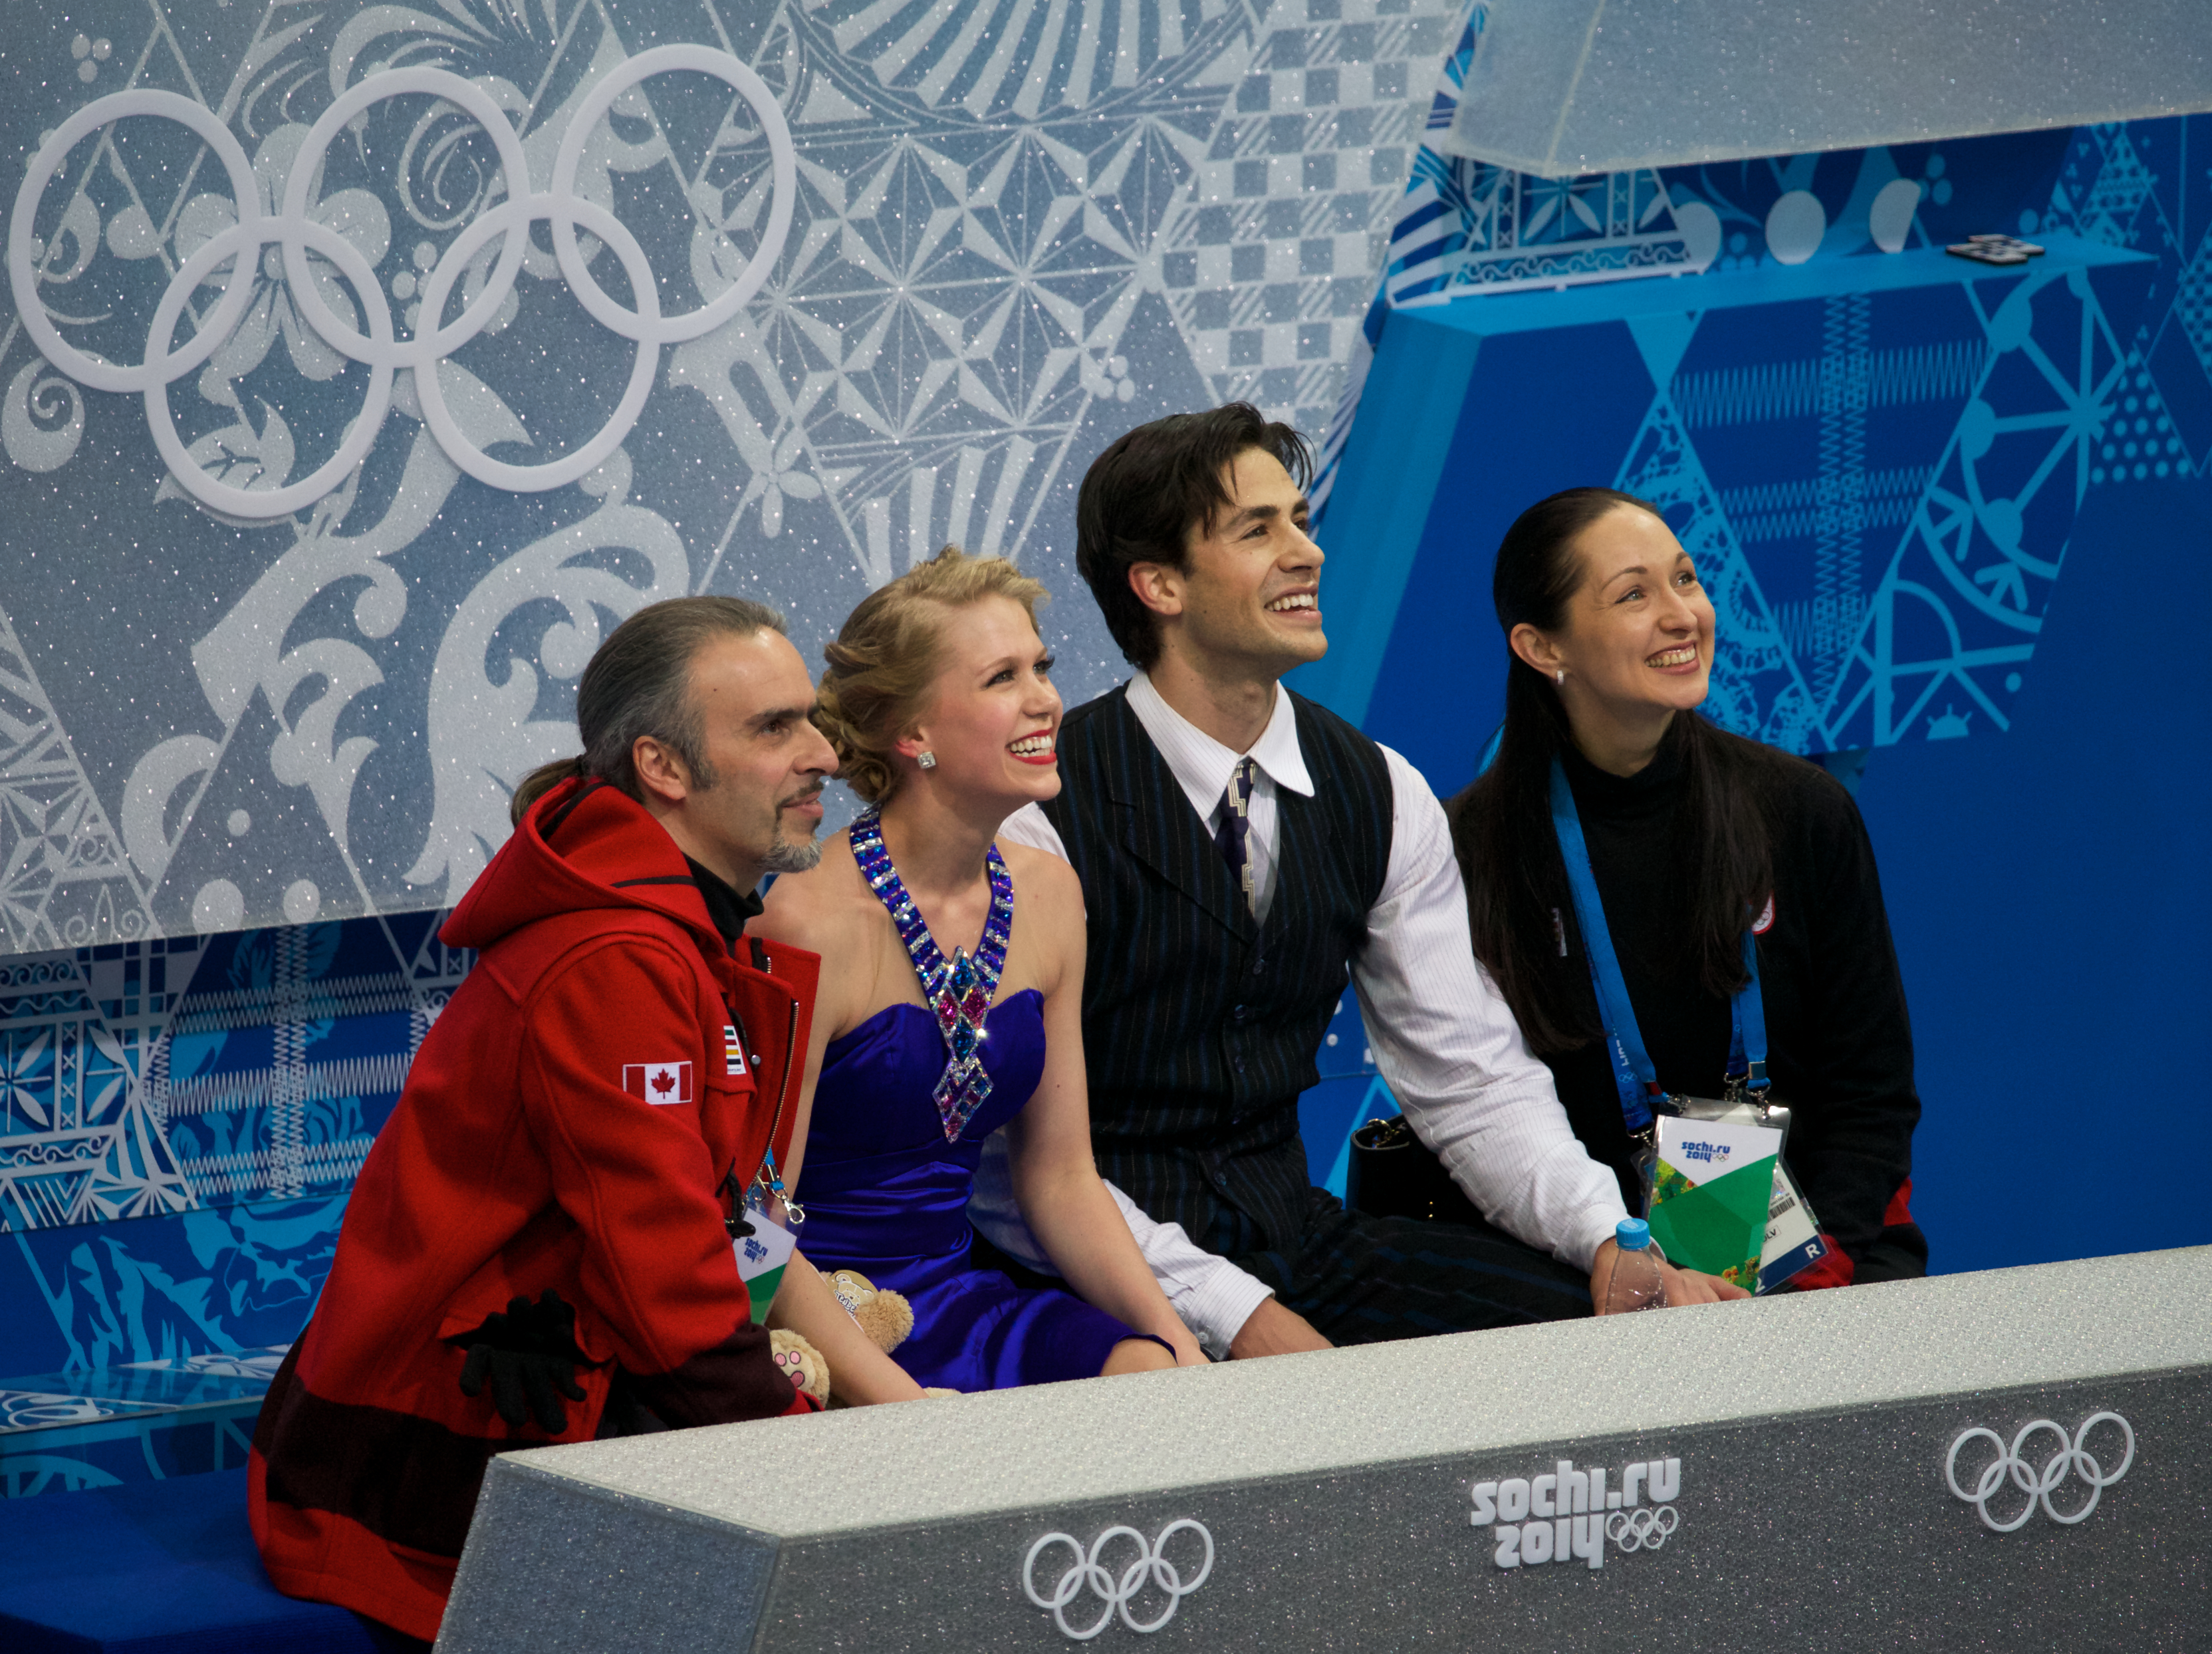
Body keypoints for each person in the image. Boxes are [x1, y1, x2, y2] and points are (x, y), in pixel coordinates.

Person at [980, 404, 1744, 1361]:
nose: (1306, 552)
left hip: (1295, 1239)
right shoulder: (1035, 812)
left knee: (1608, 1344)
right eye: (1257, 530)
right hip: (1087, 1268)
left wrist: (1605, 1236)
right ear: (1158, 584)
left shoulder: (1378, 789)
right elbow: (1007, 1170)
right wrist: (1237, 1313)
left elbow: (1468, 1080)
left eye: (1300, 520)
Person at [248, 597, 833, 1645]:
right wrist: (800, 1448)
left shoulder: (689, 930)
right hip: (436, 1453)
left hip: (577, 1392)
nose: (823, 753)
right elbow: (659, 1268)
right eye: (773, 727)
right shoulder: (615, 959)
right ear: (662, 766)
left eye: (814, 720)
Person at [750, 548, 1207, 1401]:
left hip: (961, 1299)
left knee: (1150, 1377)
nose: (1046, 699)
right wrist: (903, 1406)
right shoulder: (805, 923)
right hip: (817, 1317)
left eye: (1043, 667)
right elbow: (753, 1222)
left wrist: (1181, 1348)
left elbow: (1060, 1177)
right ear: (912, 734)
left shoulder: (1048, 890)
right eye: (1003, 677)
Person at [1449, 488, 1926, 1285]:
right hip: (1581, 1271)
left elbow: (1870, 1094)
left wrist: (1799, 1278)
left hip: (1816, 1250)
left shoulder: (1800, 811)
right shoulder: (1469, 850)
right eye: (1634, 594)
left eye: (1686, 580)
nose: (1683, 616)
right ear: (1540, 646)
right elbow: (1480, 1115)